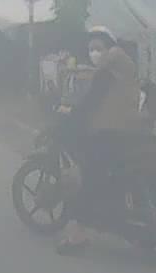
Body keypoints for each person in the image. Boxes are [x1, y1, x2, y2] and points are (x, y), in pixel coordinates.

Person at [56, 25, 143, 253]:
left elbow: (92, 100)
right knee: (105, 175)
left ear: (108, 46)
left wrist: (73, 114)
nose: (94, 52)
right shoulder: (123, 64)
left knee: (90, 178)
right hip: (126, 130)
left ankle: (78, 237)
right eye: (91, 49)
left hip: (108, 132)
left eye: (98, 47)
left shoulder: (109, 68)